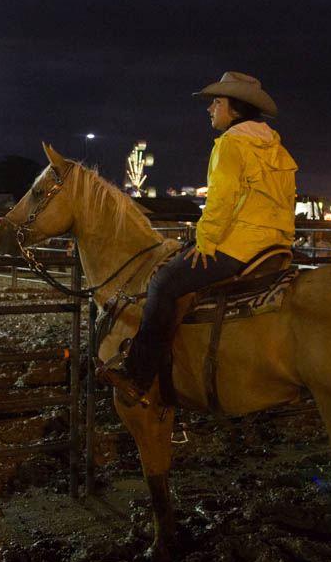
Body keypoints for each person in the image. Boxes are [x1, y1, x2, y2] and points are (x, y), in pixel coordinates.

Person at [99, 72, 298, 402]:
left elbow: (222, 199)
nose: (210, 110)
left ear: (234, 109)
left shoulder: (232, 143)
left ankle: (137, 376)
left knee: (162, 284)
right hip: (275, 245)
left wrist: (205, 242)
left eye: (216, 103)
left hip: (239, 245)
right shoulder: (274, 147)